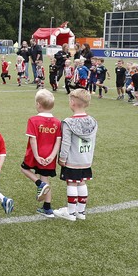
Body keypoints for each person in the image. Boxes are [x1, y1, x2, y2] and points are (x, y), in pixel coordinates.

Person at [54, 89, 98, 221]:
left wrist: (62, 158)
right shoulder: (93, 121)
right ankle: (81, 211)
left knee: (72, 183)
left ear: (72, 102)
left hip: (73, 160)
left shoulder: (68, 122)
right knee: (82, 182)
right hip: (86, 159)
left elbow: (66, 143)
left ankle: (71, 212)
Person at [20, 89, 62, 218]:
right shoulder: (57, 122)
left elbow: (33, 140)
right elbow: (58, 141)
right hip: (50, 155)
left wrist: (37, 156)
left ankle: (39, 184)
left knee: (24, 169)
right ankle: (47, 208)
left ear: (38, 104)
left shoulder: (33, 120)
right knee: (45, 177)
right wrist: (52, 156)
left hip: (35, 154)